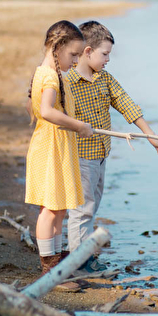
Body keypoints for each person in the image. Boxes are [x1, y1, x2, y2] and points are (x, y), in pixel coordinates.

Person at [62, 21, 158, 272]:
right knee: (81, 210)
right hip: (80, 157)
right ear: (87, 51)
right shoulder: (68, 82)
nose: (108, 60)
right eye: (105, 54)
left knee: (92, 206)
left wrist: (149, 134)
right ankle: (78, 261)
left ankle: (83, 254)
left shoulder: (104, 78)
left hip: (100, 155)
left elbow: (125, 102)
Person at [25, 20, 93, 277]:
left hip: (58, 146)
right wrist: (79, 126)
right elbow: (46, 111)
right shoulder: (50, 76)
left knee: (59, 207)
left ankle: (55, 259)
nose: (75, 61)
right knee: (50, 209)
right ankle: (49, 267)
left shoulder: (48, 73)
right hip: (50, 148)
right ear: (58, 46)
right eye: (73, 54)